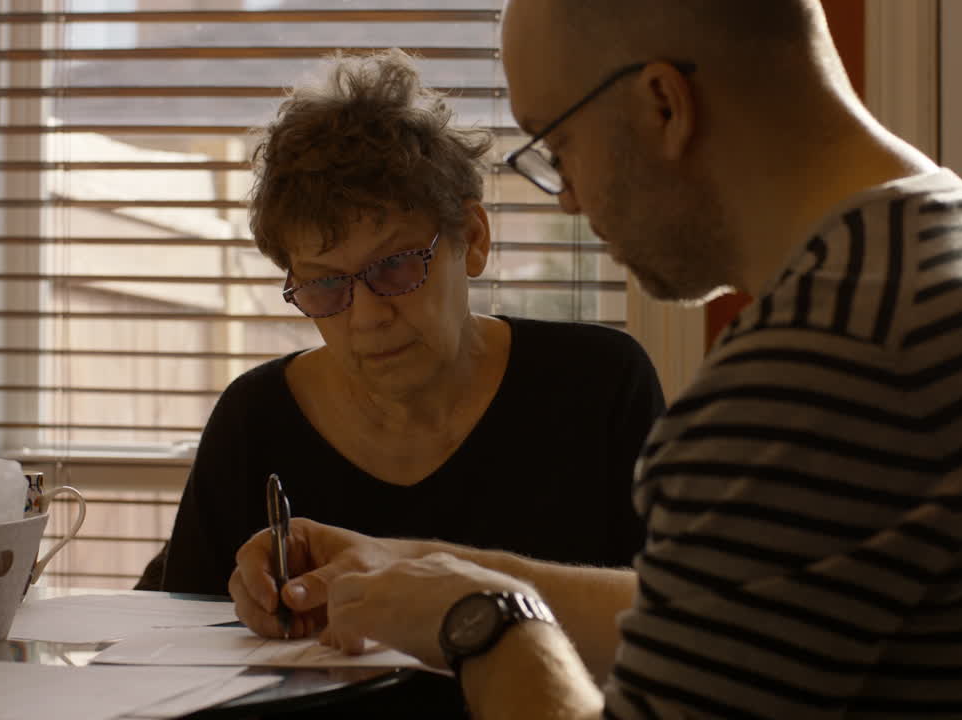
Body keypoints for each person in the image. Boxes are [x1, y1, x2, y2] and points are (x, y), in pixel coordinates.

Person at [228, 2, 962, 718]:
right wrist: (427, 569)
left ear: (663, 104)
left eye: (559, 146)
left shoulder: (818, 370)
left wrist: (484, 624)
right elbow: (725, 609)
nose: (566, 198)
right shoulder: (955, 263)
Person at [152, 48, 664, 716]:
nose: (366, 315)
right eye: (325, 284)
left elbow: (675, 630)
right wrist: (244, 607)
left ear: (472, 239)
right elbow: (169, 653)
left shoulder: (598, 386)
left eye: (395, 267)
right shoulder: (256, 418)